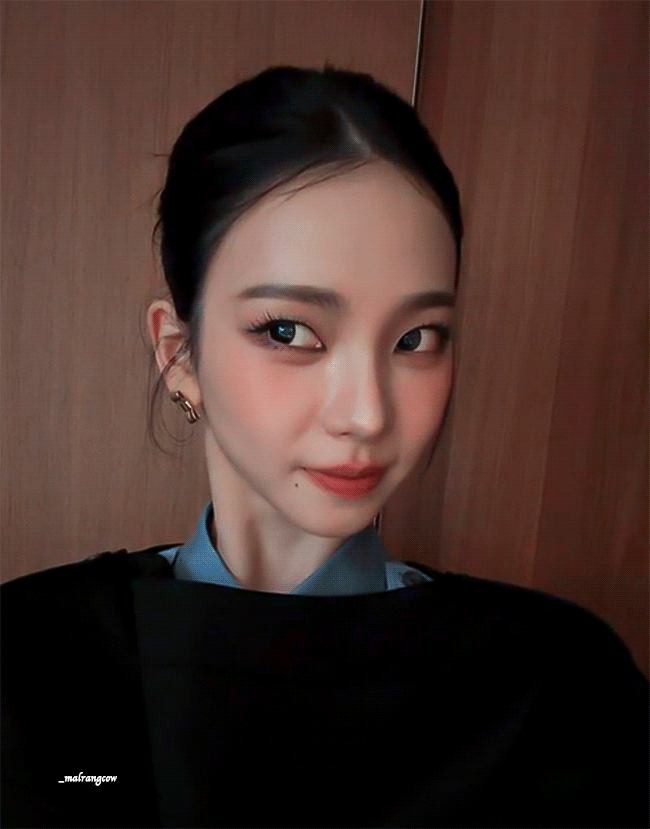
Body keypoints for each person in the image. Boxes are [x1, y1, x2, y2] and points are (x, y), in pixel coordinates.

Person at [1, 65, 647, 829]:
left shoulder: (558, 689)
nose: (367, 413)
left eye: (417, 338)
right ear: (179, 354)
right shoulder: (29, 660)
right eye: (289, 330)